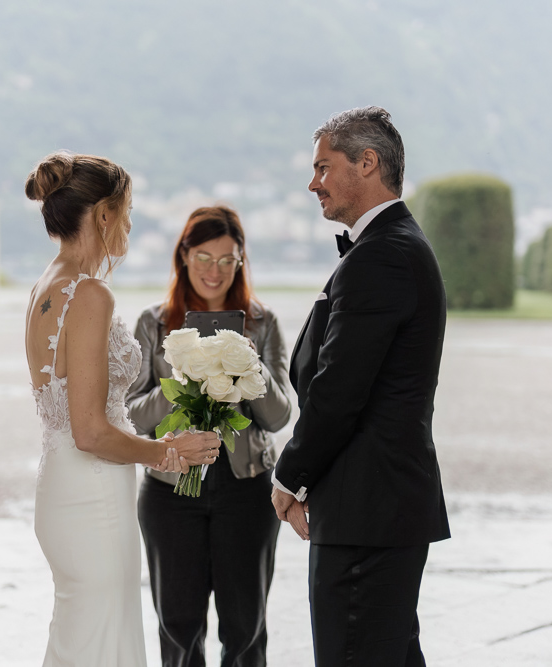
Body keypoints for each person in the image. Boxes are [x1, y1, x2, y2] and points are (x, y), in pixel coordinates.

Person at [24, 151, 220, 667]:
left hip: (60, 489)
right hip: (92, 499)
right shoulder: (89, 294)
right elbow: (90, 431)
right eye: (127, 213)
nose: (129, 226)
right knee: (103, 644)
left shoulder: (44, 287)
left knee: (80, 639)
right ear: (104, 214)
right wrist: (165, 451)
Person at [271, 107, 450, 667]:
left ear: (367, 163)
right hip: (376, 507)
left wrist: (290, 476)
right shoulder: (390, 247)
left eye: (324, 167)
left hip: (366, 511)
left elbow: (339, 391)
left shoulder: (383, 256)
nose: (313, 182)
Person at [127, 205, 293, 667]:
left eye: (227, 260)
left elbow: (278, 416)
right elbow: (134, 418)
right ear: (183, 256)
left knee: (245, 630)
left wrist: (244, 362)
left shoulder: (263, 323)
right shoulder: (155, 323)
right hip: (170, 492)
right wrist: (184, 380)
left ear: (241, 261)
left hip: (246, 489)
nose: (214, 271)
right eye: (203, 257)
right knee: (178, 630)